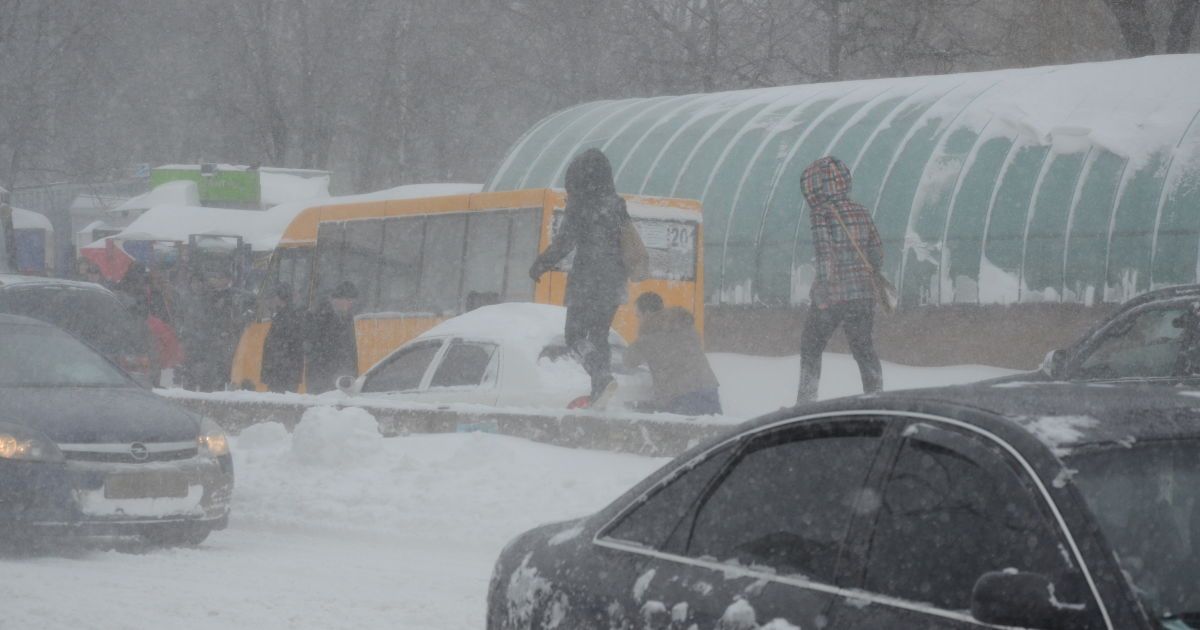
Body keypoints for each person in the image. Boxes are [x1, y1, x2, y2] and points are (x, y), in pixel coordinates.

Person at [529, 148, 630, 407]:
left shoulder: (580, 205)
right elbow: (625, 240)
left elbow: (565, 242)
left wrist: (541, 264)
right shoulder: (617, 204)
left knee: (574, 336)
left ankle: (600, 375)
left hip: (589, 279)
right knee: (599, 336)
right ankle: (600, 390)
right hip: (615, 280)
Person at [797, 155, 884, 404]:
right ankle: (875, 399)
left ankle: (806, 402)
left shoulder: (821, 213)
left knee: (811, 346)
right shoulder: (861, 211)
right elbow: (876, 253)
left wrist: (824, 291)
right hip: (864, 295)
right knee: (864, 349)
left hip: (835, 295)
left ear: (813, 185)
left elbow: (825, 255)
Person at [624, 292, 722, 416]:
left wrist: (641, 333)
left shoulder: (651, 336)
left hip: (682, 396)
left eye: (638, 316)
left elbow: (628, 360)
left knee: (685, 434)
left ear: (647, 313)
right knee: (713, 431)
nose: (638, 321)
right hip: (708, 388)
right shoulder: (683, 325)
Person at [186, 269, 251, 391]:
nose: (217, 280)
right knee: (204, 371)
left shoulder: (230, 295)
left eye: (220, 277)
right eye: (216, 277)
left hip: (215, 340)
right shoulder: (202, 297)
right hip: (203, 341)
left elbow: (220, 319)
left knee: (216, 370)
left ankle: (213, 390)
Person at [306, 280, 359, 394]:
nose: (351, 304)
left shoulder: (346, 316)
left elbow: (349, 347)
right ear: (339, 299)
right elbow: (316, 346)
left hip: (338, 375)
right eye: (349, 301)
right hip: (323, 375)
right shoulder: (321, 315)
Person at [260, 283, 306, 393]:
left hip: (281, 371)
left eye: (273, 297)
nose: (270, 300)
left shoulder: (285, 317)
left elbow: (279, 344)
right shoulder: (288, 315)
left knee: (278, 399)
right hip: (286, 370)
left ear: (280, 298)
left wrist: (271, 368)